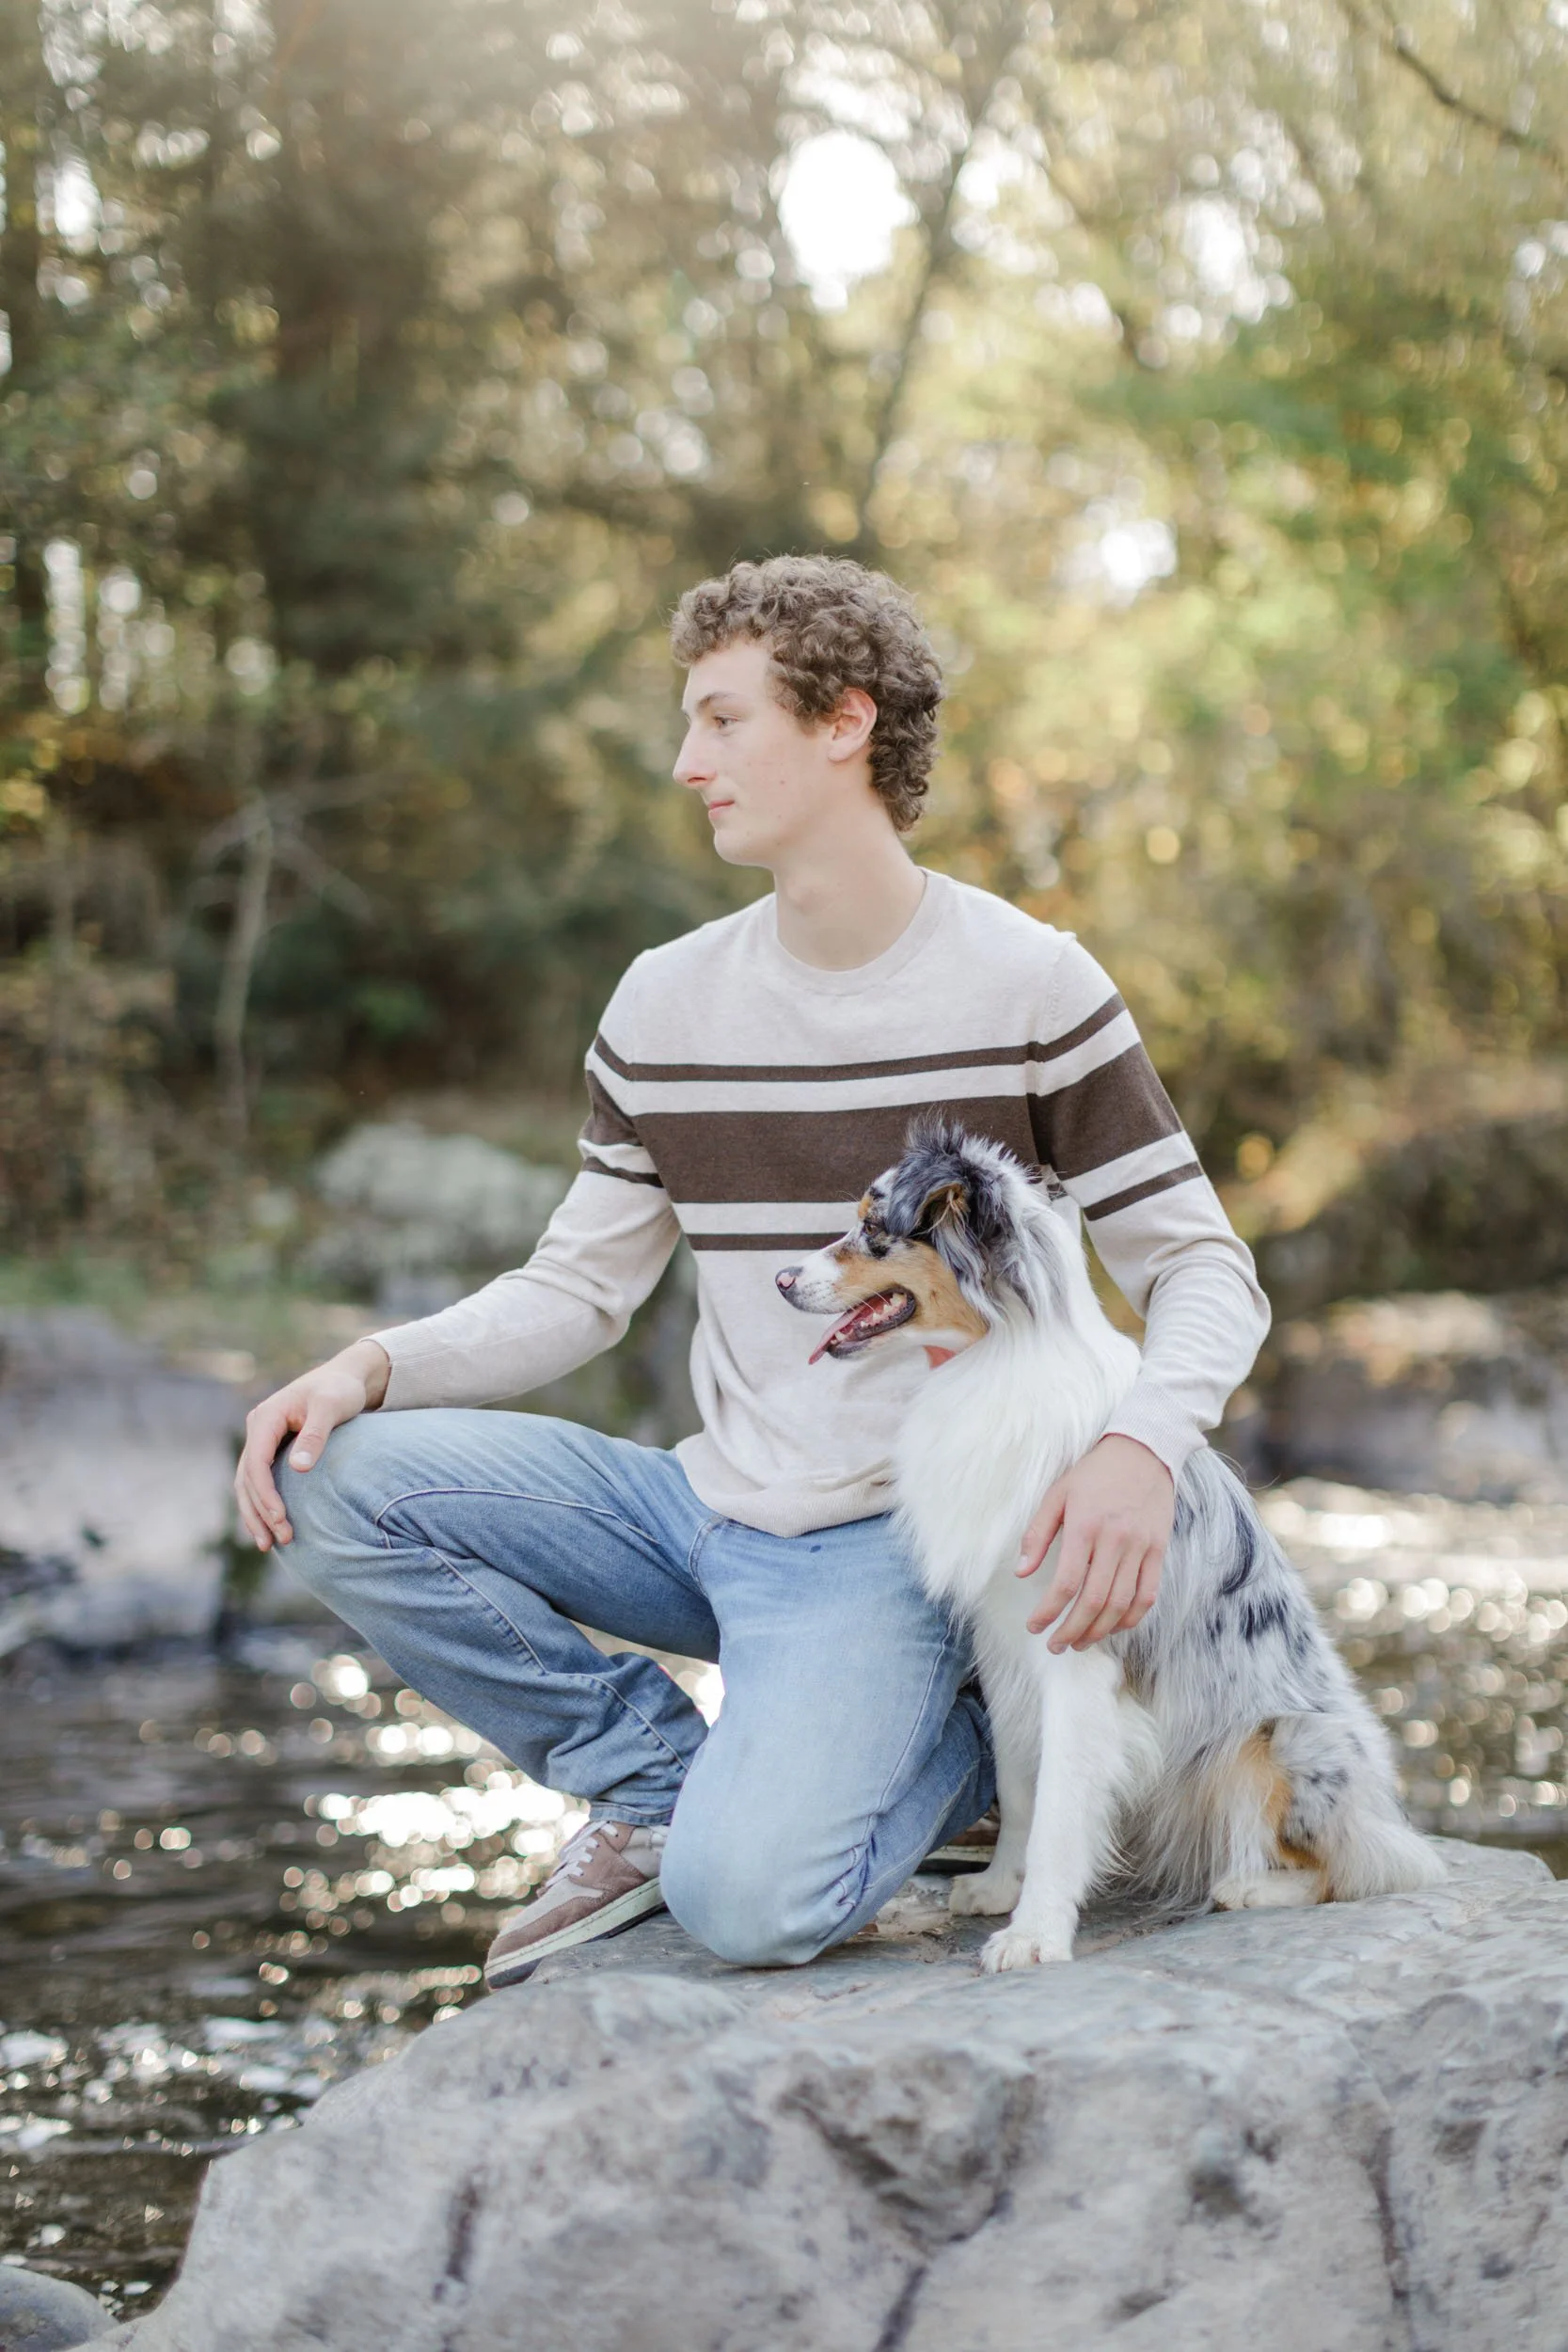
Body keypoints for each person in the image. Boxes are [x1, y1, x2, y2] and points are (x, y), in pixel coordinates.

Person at [233, 555, 1270, 1984]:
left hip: (894, 1550)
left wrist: (1139, 1453)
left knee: (751, 1909)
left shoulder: (1033, 984)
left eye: (721, 722)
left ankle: (962, 1750)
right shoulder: (665, 999)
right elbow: (576, 1294)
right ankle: (653, 1785)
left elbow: (1203, 1271)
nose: (684, 762)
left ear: (843, 723)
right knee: (328, 1475)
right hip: (698, 1506)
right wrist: (367, 1367)